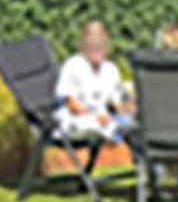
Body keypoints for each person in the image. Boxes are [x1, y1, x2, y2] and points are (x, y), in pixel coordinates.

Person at [55, 20, 134, 149]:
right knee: (112, 126)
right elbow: (72, 105)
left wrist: (131, 107)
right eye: (92, 45)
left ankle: (152, 166)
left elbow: (121, 99)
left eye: (101, 44)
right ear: (83, 46)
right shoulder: (73, 65)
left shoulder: (110, 69)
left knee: (136, 125)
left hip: (105, 120)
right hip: (76, 121)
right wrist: (97, 115)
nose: (97, 49)